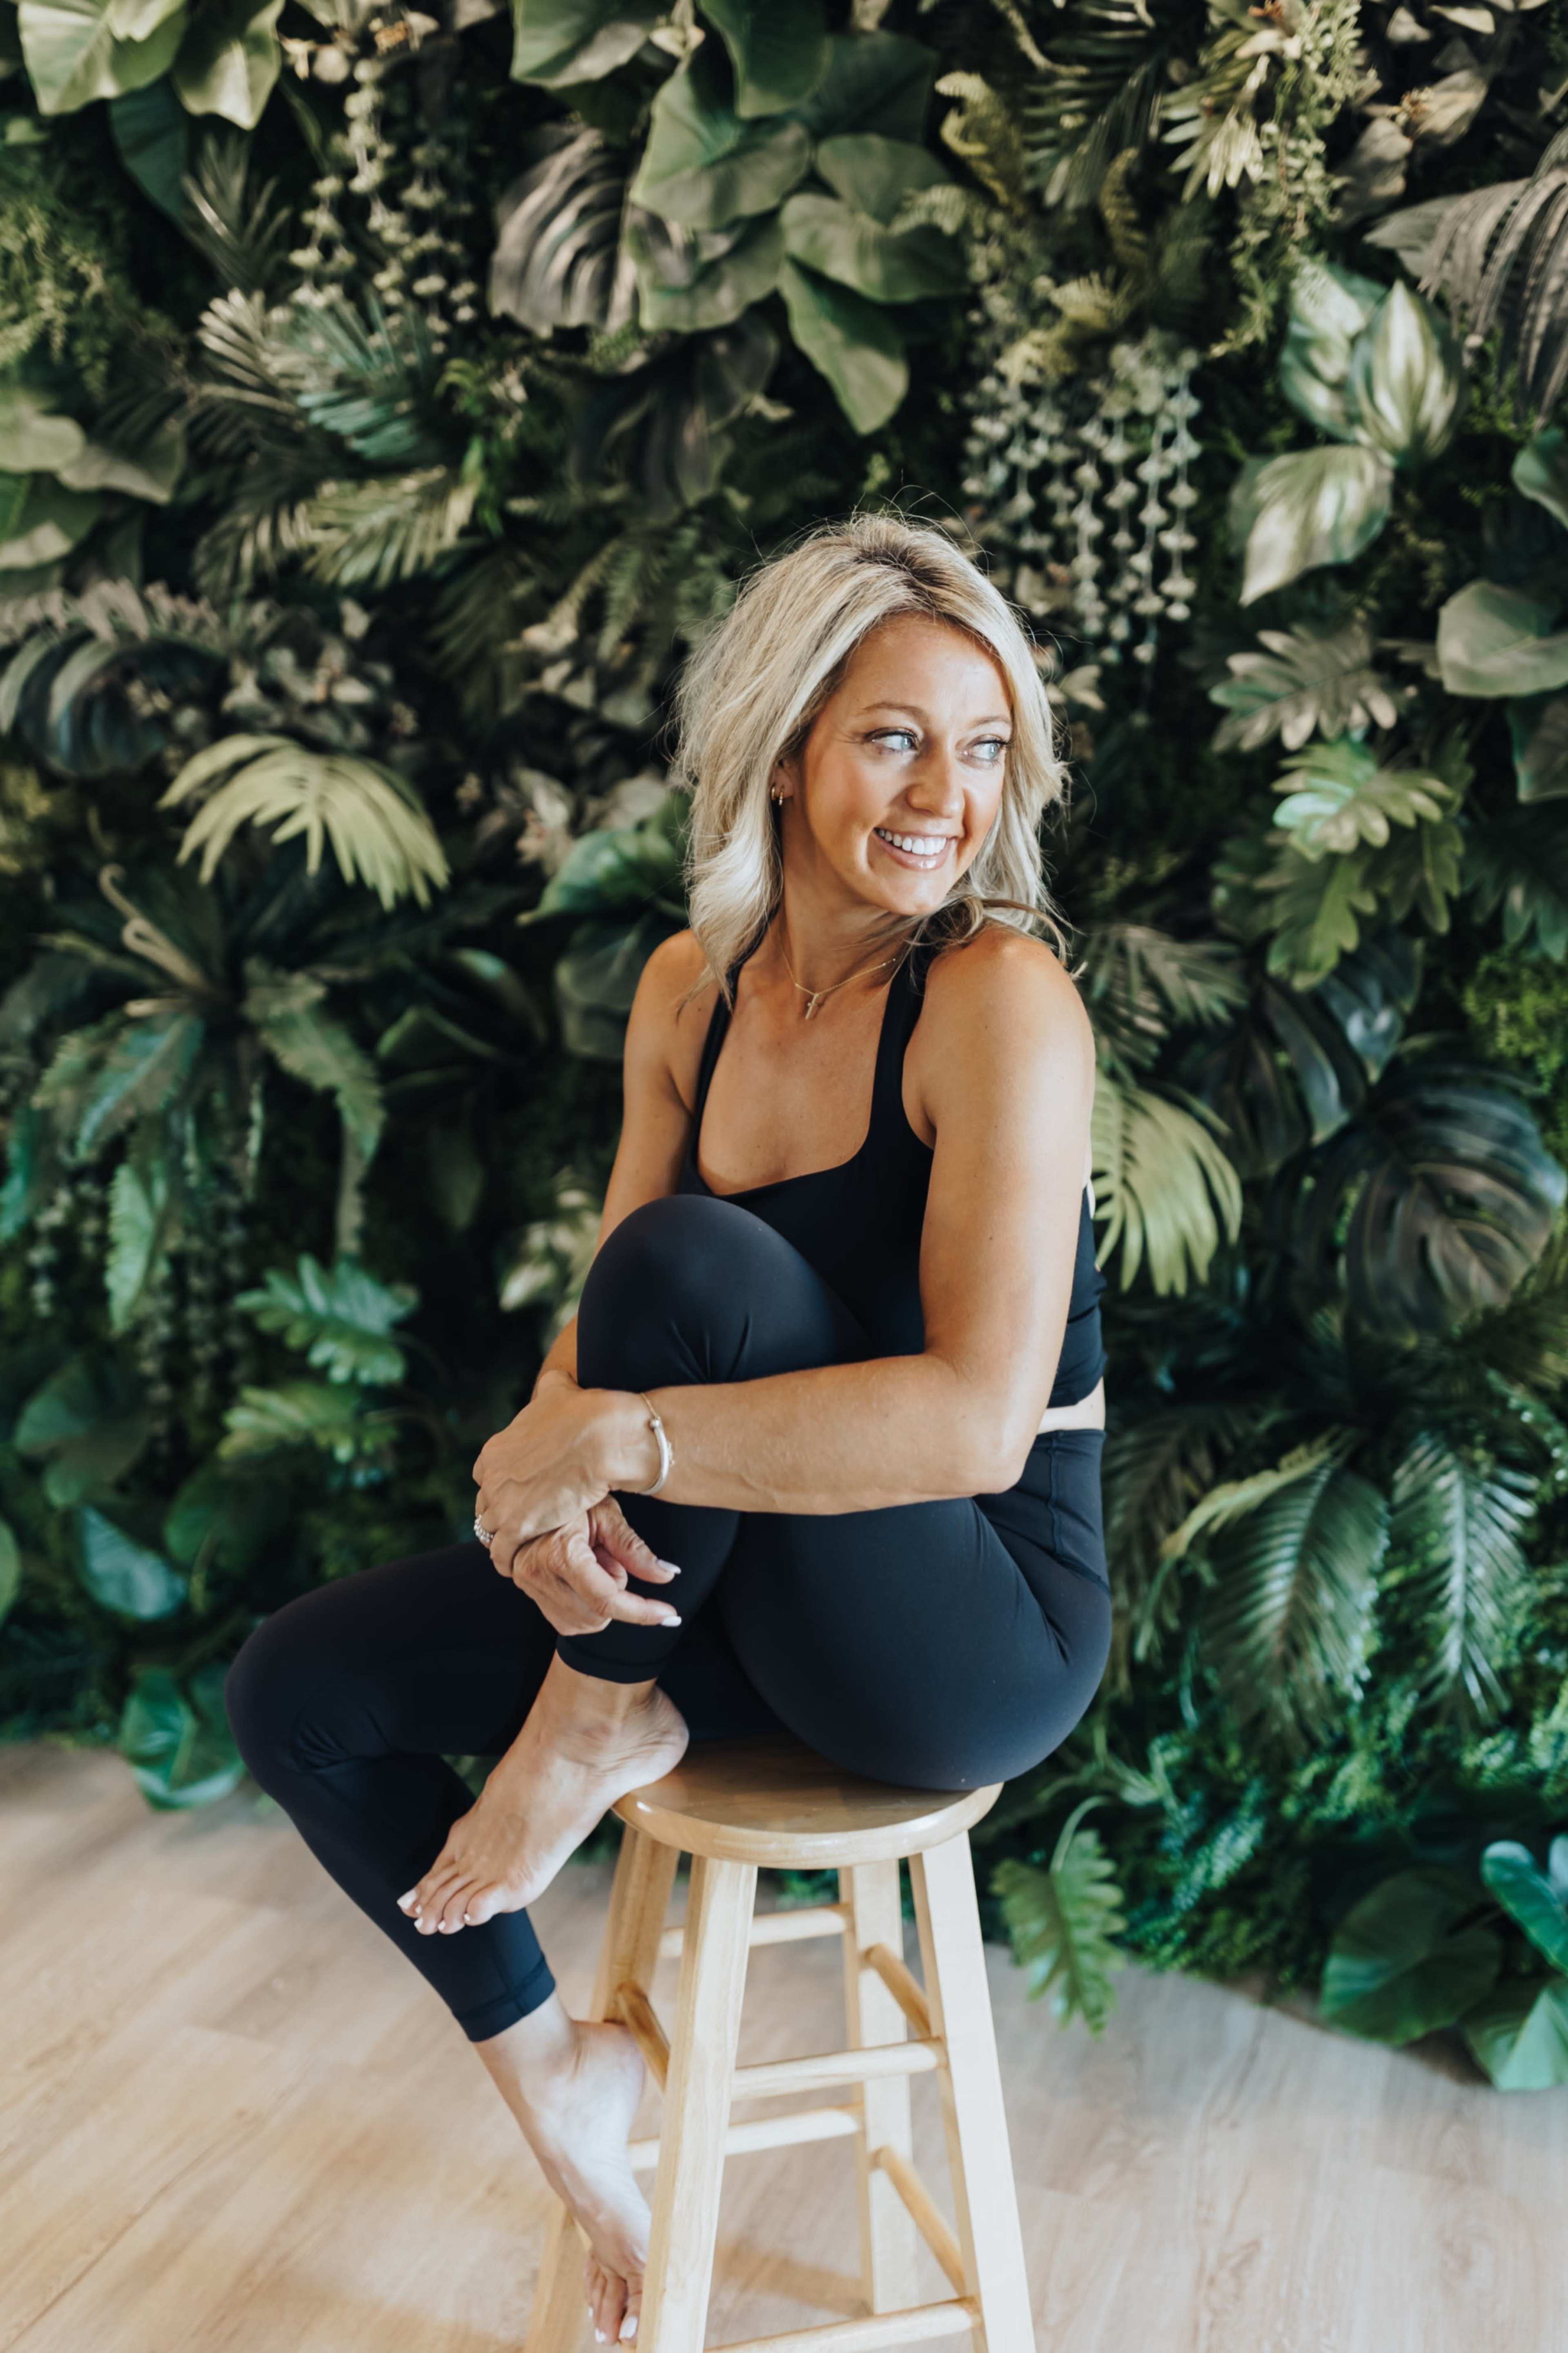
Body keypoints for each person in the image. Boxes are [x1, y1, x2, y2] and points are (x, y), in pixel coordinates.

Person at [225, 510, 1111, 2344]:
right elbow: (600, 1337)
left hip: (971, 1623)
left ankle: (594, 1712)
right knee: (300, 1689)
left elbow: (974, 1423)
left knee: (697, 1269)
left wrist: (610, 1453)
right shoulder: (690, 995)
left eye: (981, 743)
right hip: (743, 1587)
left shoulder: (997, 1000)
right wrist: (547, 1497)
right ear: (790, 745)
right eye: (893, 735)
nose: (947, 792)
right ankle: (565, 2077)